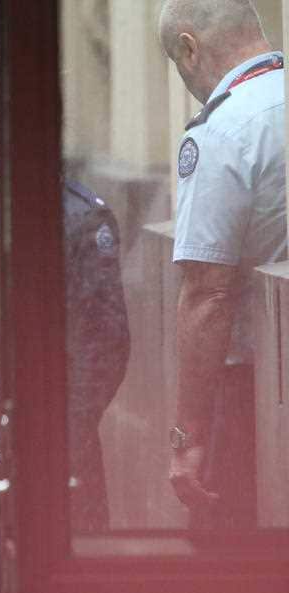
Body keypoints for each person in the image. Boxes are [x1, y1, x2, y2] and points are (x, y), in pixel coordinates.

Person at [0, 76, 130, 593]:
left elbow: (104, 346)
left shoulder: (82, 220)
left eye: (10, 130)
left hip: (60, 430)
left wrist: (60, 432)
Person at [158, 0, 286, 531]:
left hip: (254, 390)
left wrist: (189, 438)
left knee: (230, 549)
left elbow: (208, 293)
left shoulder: (222, 129)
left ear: (190, 47)